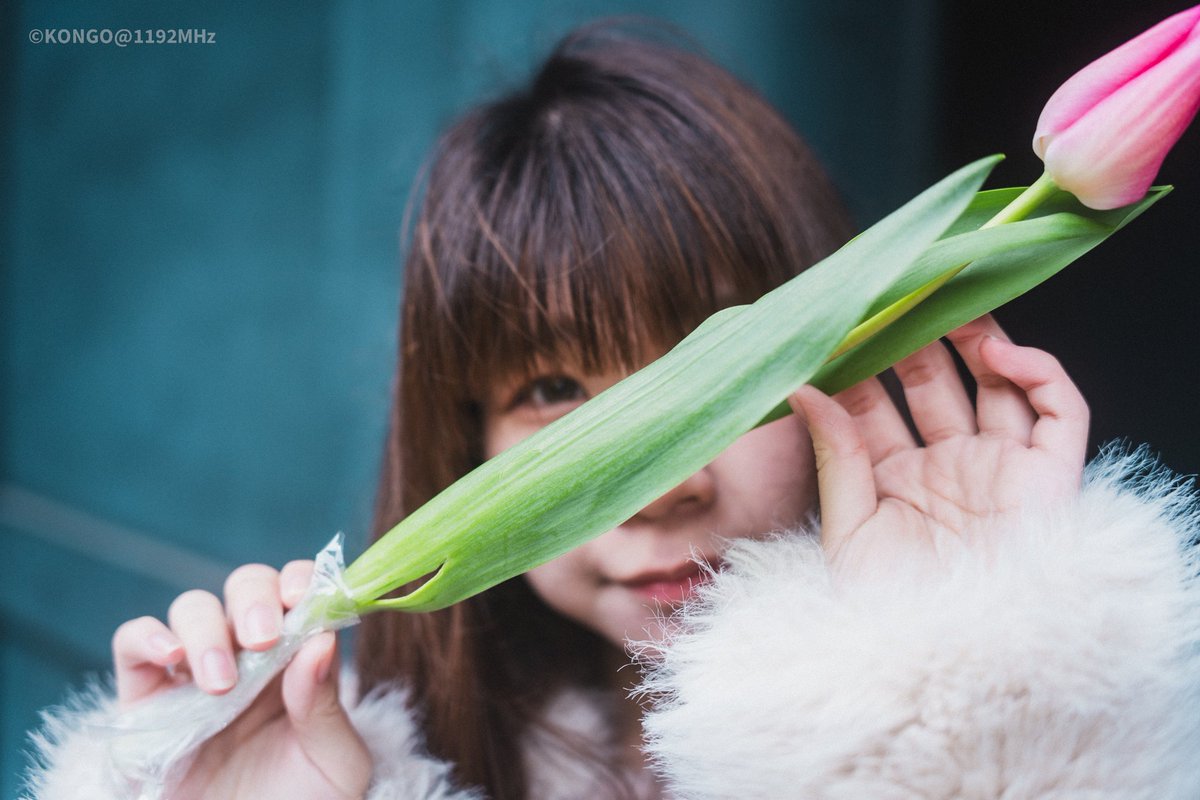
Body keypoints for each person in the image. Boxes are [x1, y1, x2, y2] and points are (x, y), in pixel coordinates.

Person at [25, 21, 1200, 800]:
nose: (660, 478)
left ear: (852, 361)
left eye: (719, 375)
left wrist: (977, 676)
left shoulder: (1077, 719)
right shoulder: (380, 756)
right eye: (555, 394)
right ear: (462, 447)